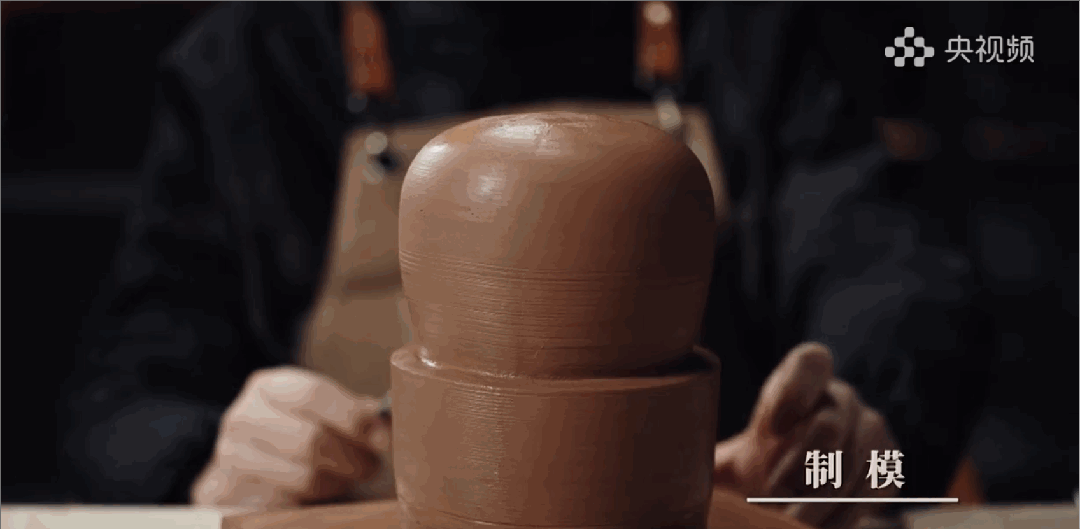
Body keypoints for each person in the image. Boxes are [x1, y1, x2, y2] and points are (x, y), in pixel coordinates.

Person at [60, 3, 995, 528]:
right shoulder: (256, 56)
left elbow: (896, 276)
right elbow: (121, 387)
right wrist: (204, 457)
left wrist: (850, 421)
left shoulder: (747, 29)